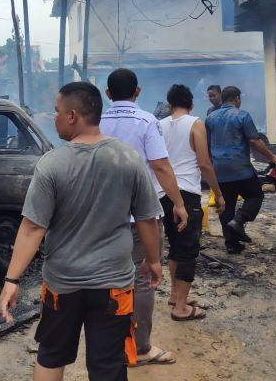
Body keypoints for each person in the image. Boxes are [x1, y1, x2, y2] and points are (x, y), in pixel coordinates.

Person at [0, 82, 165, 381]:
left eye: (57, 112)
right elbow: (147, 219)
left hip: (63, 285)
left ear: (73, 115)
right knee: (108, 365)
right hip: (113, 285)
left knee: (51, 355)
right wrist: (153, 261)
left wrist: (12, 279)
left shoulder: (52, 164)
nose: (55, 117)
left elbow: (33, 227)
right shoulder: (128, 159)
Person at [100, 68, 184, 366]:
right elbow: (160, 166)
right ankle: (142, 347)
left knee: (108, 279)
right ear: (138, 91)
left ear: (108, 94)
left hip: (101, 217)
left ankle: (111, 345)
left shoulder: (95, 121)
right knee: (145, 276)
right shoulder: (147, 120)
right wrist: (179, 203)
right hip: (140, 218)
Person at [160, 84, 226, 321]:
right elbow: (205, 163)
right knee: (188, 249)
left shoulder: (160, 125)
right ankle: (180, 308)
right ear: (191, 104)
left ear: (170, 105)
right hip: (186, 192)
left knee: (175, 247)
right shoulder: (196, 123)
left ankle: (175, 295)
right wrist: (218, 193)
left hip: (164, 193)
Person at [205, 86, 276, 254]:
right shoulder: (242, 115)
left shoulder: (210, 118)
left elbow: (207, 145)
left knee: (225, 206)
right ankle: (239, 220)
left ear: (222, 98)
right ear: (237, 99)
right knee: (255, 195)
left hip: (220, 171)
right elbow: (255, 141)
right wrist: (273, 157)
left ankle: (232, 245)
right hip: (241, 169)